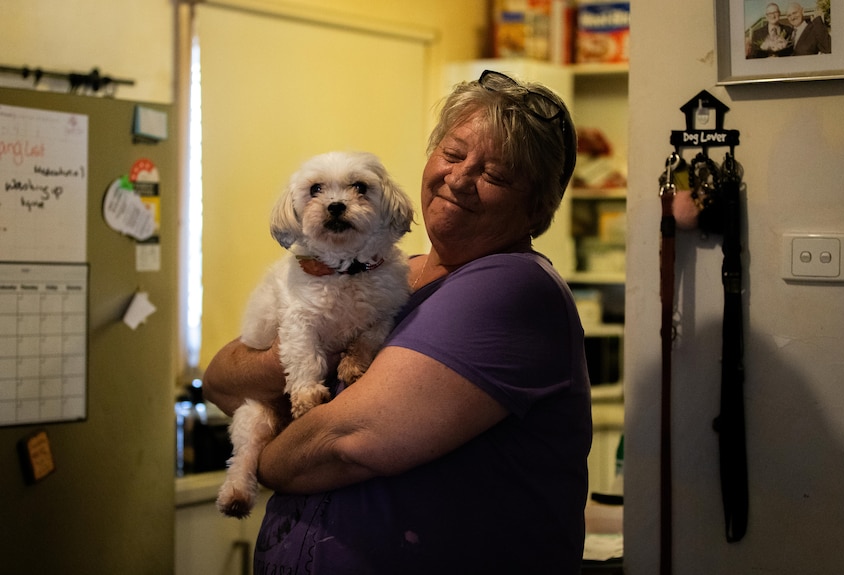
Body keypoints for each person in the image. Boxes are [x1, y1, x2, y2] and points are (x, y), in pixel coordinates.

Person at [203, 69, 592, 575]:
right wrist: (302, 348)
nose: (459, 179)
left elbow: (343, 446)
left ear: (538, 207)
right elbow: (219, 377)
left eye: (495, 175)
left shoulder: (509, 288)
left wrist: (261, 456)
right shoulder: (386, 274)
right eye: (452, 154)